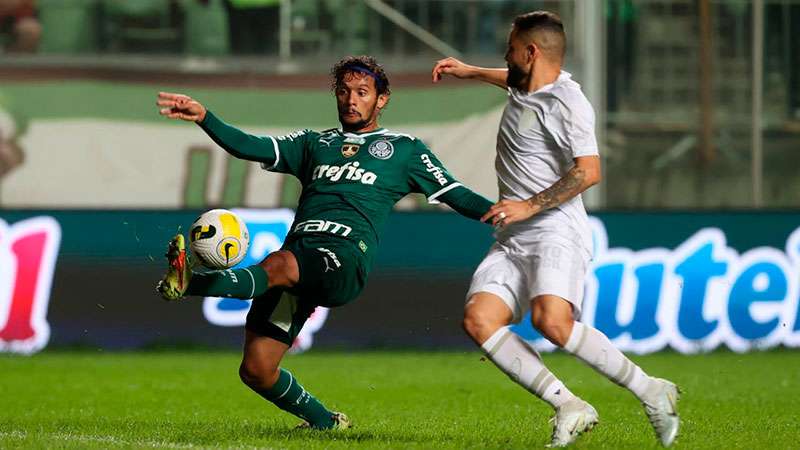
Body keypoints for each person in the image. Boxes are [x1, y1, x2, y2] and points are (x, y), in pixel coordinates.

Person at [155, 56, 495, 430]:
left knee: (278, 265)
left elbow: (455, 192)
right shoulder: (314, 143)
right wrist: (205, 116)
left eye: (362, 93)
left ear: (382, 100)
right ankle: (326, 423)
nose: (351, 99)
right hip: (301, 258)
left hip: (345, 259)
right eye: (344, 91)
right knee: (257, 370)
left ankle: (191, 282)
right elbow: (248, 146)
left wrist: (502, 214)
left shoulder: (405, 150)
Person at [431, 11, 680, 448]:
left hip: (556, 230)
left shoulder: (568, 102)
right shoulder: (524, 84)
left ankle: (649, 389)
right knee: (479, 320)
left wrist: (530, 204)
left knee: (552, 322)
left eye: (510, 50)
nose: (505, 58)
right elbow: (507, 79)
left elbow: (589, 171)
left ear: (531, 52)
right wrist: (468, 71)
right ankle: (569, 405)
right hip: (513, 238)